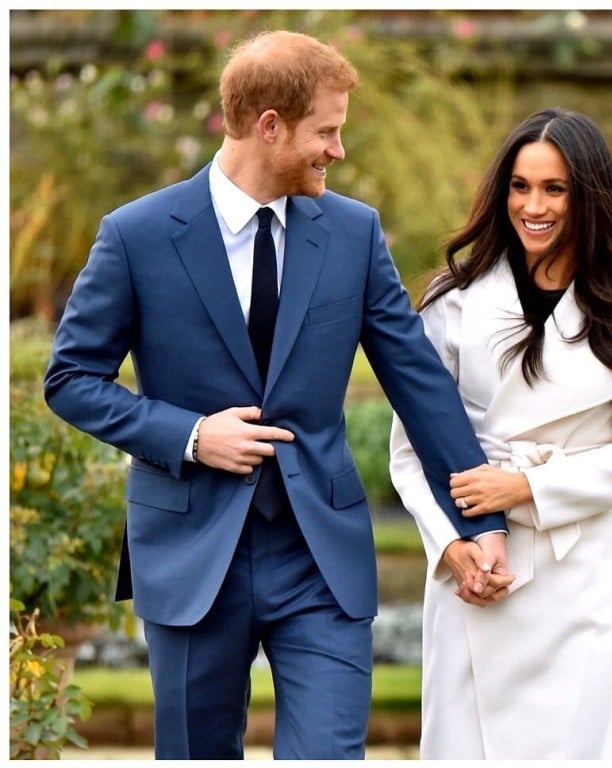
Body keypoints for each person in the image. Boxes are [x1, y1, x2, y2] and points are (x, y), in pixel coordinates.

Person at [43, 30, 512, 760]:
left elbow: (418, 380)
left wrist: (481, 518)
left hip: (318, 558)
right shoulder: (135, 236)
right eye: (327, 131)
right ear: (270, 126)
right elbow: (70, 379)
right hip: (192, 554)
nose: (338, 150)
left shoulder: (354, 234)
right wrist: (193, 435)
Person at [389, 107, 612, 759]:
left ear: (591, 197)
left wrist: (523, 486)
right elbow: (411, 452)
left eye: (555, 189)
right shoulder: (452, 301)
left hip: (577, 571)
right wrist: (453, 549)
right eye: (520, 186)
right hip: (476, 573)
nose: (534, 206)